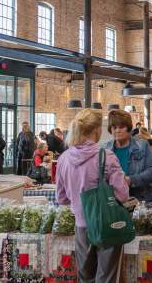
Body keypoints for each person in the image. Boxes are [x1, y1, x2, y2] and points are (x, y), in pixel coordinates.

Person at [56, 108, 129, 283]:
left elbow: (61, 199)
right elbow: (122, 195)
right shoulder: (107, 156)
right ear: (97, 130)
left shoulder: (64, 159)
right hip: (108, 225)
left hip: (81, 226)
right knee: (107, 277)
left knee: (85, 276)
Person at [105, 110, 152, 203]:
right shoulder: (105, 149)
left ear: (128, 128)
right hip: (115, 203)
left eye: (121, 127)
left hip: (141, 201)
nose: (117, 131)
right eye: (114, 127)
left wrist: (131, 180)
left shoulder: (142, 145)